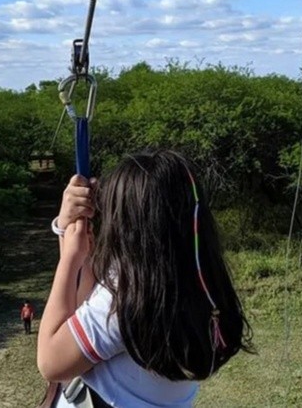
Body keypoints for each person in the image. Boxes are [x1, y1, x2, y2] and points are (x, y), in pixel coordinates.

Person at [37, 150, 252, 407]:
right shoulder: (198, 283)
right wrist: (68, 233)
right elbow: (80, 314)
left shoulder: (126, 299)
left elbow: (51, 362)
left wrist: (70, 259)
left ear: (130, 224)